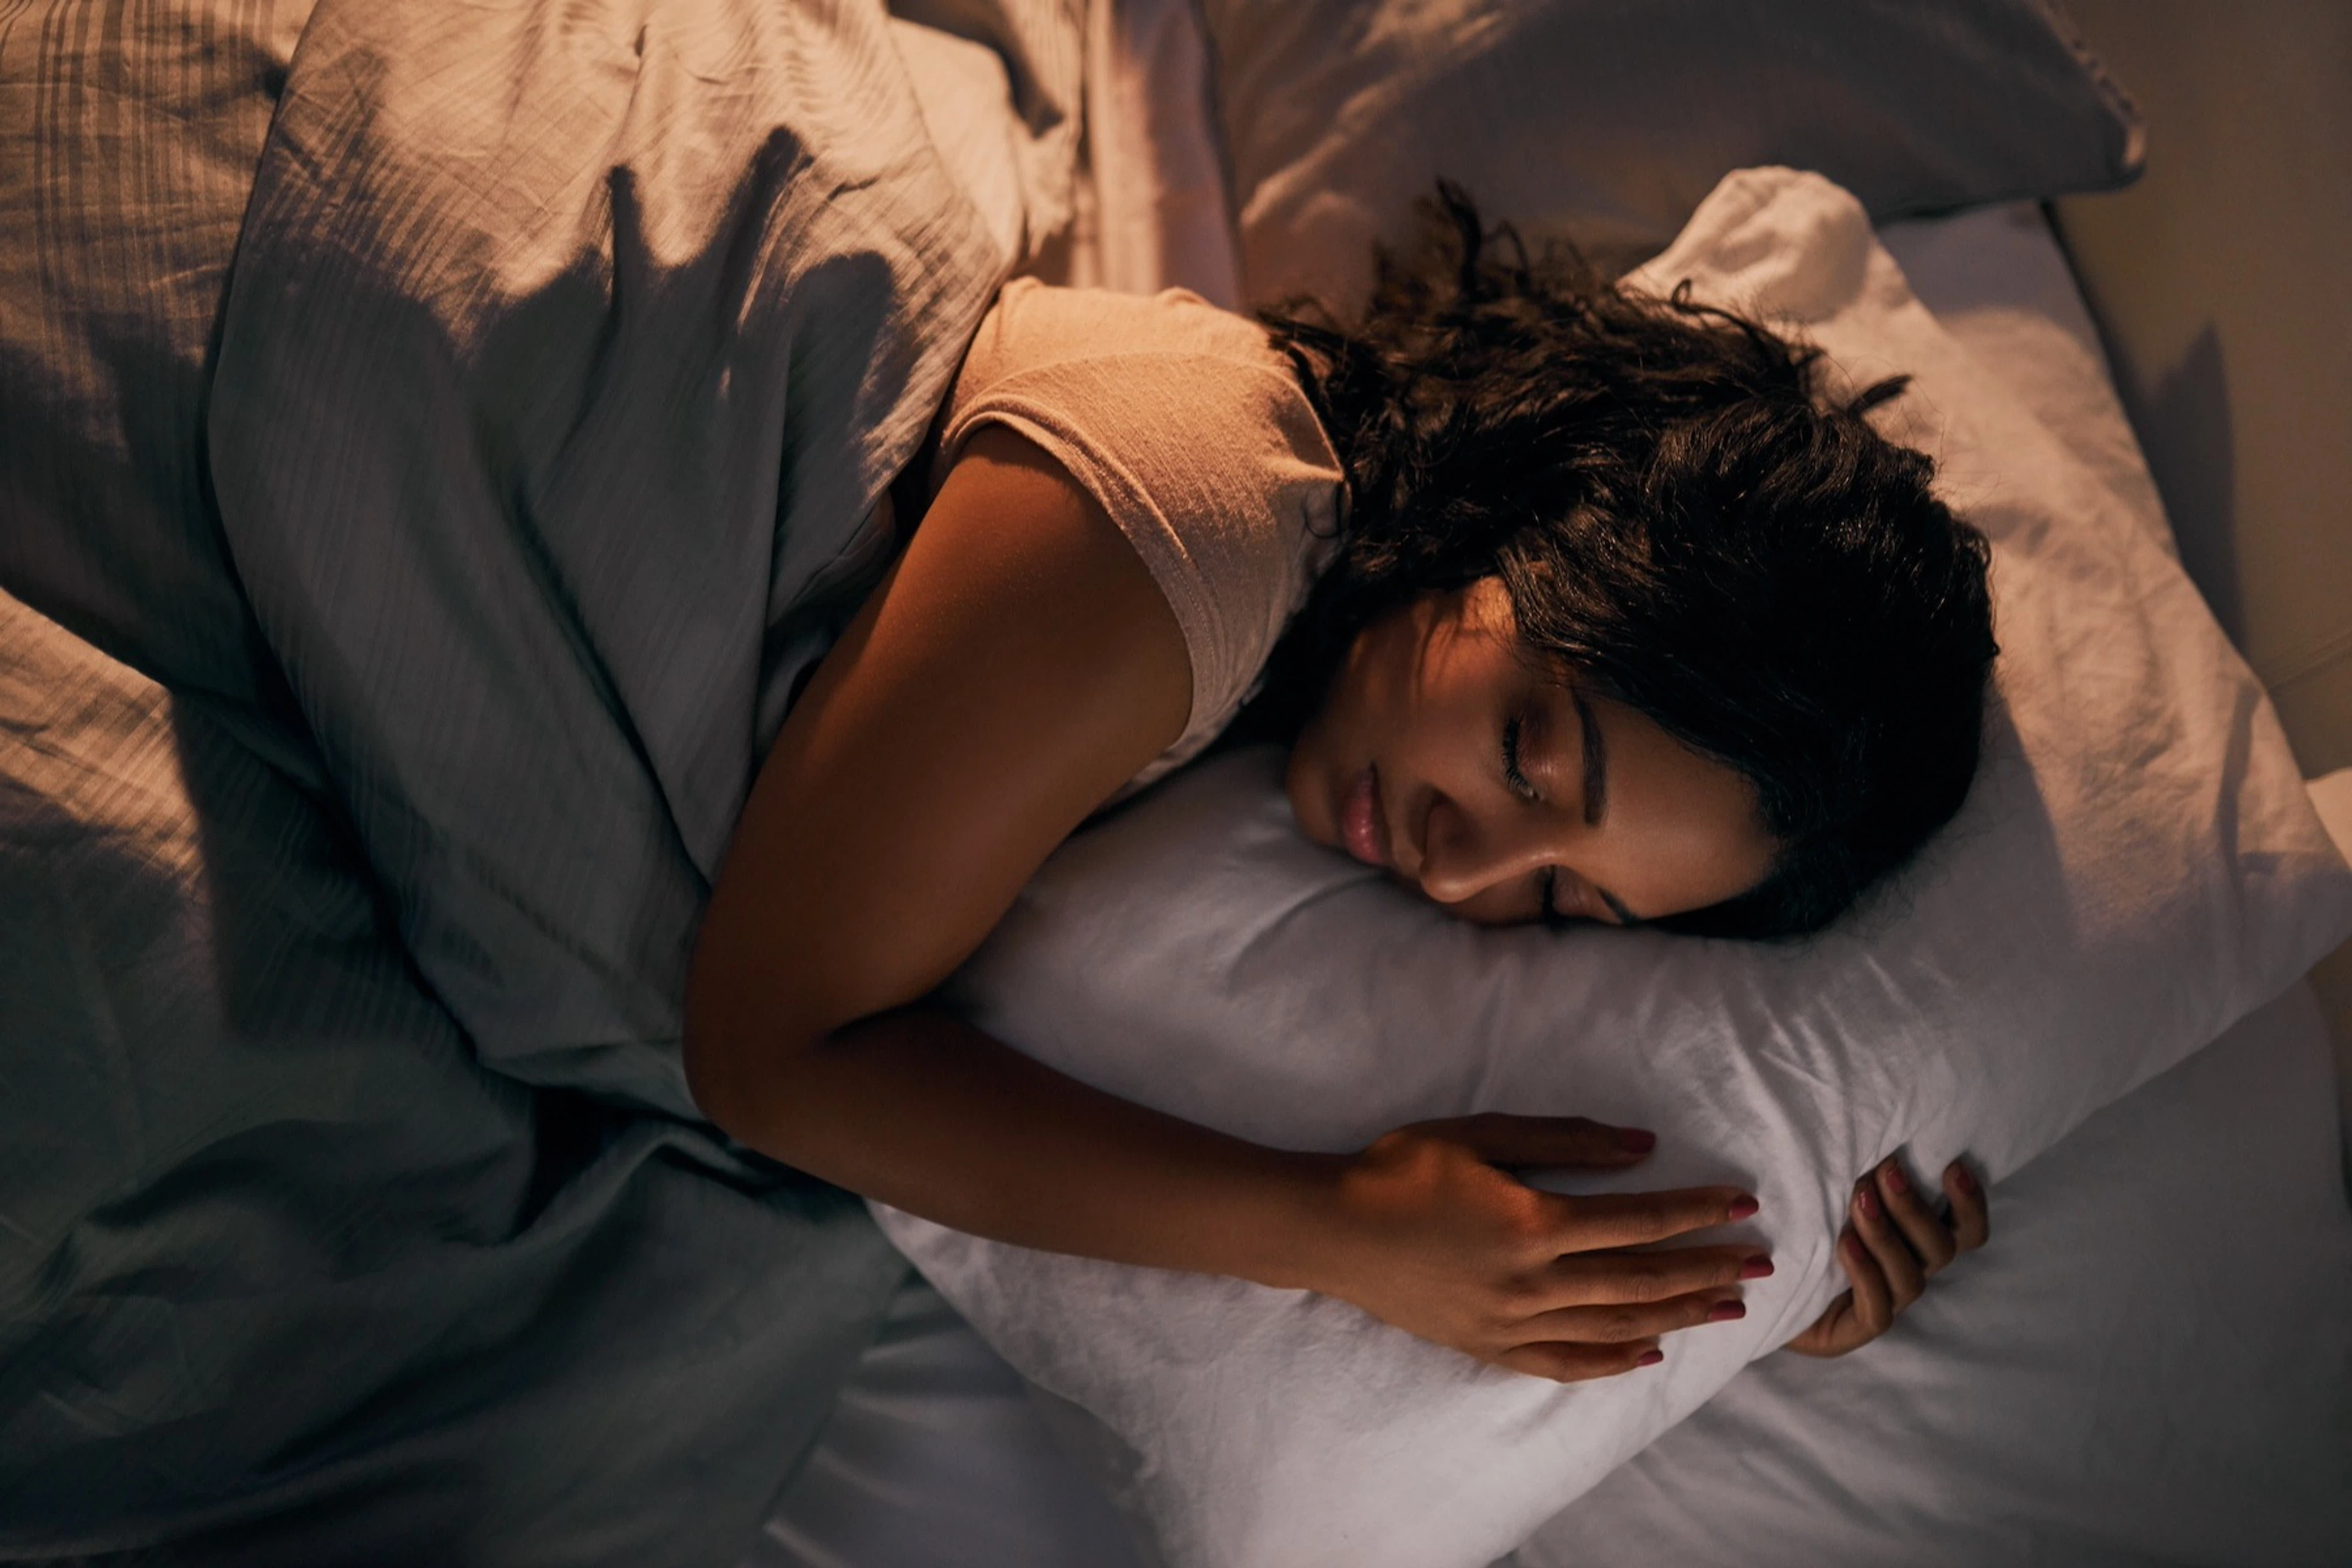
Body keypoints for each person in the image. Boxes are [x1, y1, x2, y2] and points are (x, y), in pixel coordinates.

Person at [684, 190, 1998, 1384]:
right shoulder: (1199, 515)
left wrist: (1761, 1307)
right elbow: (768, 1059)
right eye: (1525, 753)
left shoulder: (1289, 647)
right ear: (1524, 515)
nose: (1458, 865)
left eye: (1560, 898)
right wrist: (1334, 1227)